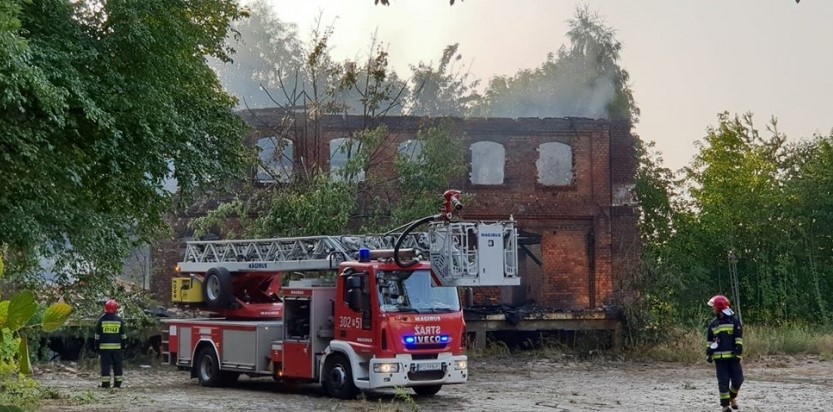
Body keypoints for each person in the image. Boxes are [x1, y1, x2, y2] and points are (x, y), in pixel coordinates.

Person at [705, 295, 744, 411]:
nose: (713, 309)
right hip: (719, 359)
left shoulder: (734, 321)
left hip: (733, 358)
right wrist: (709, 353)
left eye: (714, 307)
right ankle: (725, 406)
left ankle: (732, 398)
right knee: (723, 382)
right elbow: (710, 340)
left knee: (738, 380)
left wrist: (738, 353)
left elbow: (738, 339)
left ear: (719, 307)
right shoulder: (713, 324)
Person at [95, 299, 127, 388]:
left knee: (105, 366)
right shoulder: (119, 320)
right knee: (118, 365)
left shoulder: (101, 320)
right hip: (117, 348)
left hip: (104, 349)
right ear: (116, 309)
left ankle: (106, 384)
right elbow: (123, 336)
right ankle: (118, 384)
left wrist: (97, 347)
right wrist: (123, 346)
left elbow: (97, 336)